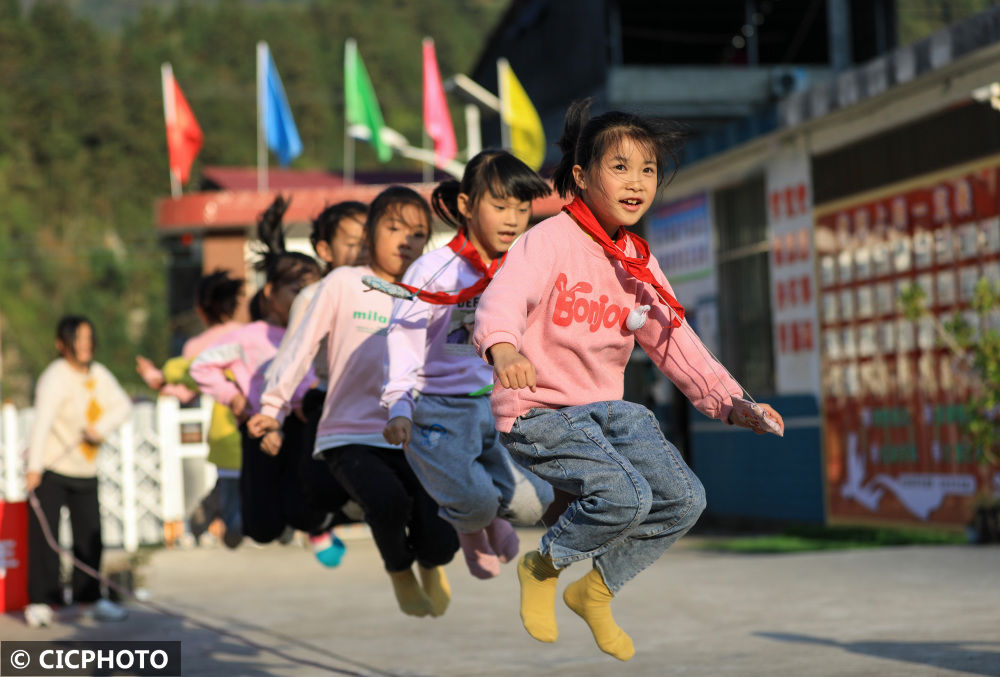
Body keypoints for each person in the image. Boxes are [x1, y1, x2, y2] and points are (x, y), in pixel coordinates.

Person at [473, 99, 785, 661]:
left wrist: (733, 403)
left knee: (685, 498)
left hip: (605, 413)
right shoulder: (548, 239)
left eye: (648, 170)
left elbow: (674, 339)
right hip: (538, 411)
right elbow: (502, 295)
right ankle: (542, 567)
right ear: (581, 176)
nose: (637, 182)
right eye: (619, 167)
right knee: (625, 493)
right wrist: (503, 347)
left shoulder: (638, 260)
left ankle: (595, 592)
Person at [248, 186, 459, 618]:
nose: (406, 241)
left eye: (418, 233)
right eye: (394, 228)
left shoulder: (431, 291)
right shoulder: (341, 283)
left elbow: (455, 360)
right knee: (387, 501)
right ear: (371, 233)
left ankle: (430, 561)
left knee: (442, 538)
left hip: (417, 433)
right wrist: (271, 409)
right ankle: (399, 568)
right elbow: (299, 348)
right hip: (351, 433)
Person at [380, 150, 554, 580]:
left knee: (536, 502)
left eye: (522, 207)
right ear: (466, 205)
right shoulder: (432, 270)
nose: (513, 219)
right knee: (474, 502)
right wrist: (399, 407)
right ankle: (474, 526)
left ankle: (481, 515)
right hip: (435, 407)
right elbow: (402, 340)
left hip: (496, 405)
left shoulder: (522, 268)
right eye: (500, 206)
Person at [190, 197, 324, 552]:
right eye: (297, 292)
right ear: (270, 293)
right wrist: (233, 397)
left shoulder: (317, 335)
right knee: (262, 527)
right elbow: (199, 366)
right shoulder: (248, 338)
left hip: (302, 427)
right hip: (258, 426)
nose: (306, 301)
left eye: (314, 293)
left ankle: (318, 524)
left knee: (304, 512)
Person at [263, 201, 369, 564]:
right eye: (352, 242)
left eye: (368, 239)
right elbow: (292, 357)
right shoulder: (313, 296)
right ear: (325, 250)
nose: (363, 250)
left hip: (385, 404)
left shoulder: (394, 289)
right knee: (318, 491)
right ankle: (330, 519)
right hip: (326, 400)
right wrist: (273, 413)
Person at [24, 316, 133, 627]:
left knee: (90, 536)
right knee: (46, 539)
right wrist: (34, 468)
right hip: (52, 468)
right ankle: (41, 601)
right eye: (78, 339)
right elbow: (42, 423)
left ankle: (90, 598)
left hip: (86, 468)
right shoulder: (54, 377)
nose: (84, 345)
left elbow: (121, 406)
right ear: (63, 344)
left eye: (88, 338)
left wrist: (100, 428)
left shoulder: (99, 374)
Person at [135, 270, 245, 548]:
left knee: (231, 488)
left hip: (224, 429)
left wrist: (156, 380)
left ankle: (212, 516)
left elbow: (186, 390)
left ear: (200, 309)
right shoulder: (251, 334)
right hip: (259, 425)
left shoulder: (198, 346)